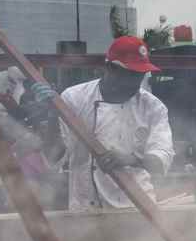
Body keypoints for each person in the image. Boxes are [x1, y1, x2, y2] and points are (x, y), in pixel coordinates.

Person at [50, 36, 174, 211]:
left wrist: (131, 159)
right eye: (130, 74)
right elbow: (56, 151)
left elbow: (162, 157)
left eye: (140, 75)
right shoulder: (74, 99)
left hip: (137, 206)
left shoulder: (153, 107)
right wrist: (49, 114)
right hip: (86, 206)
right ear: (108, 68)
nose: (135, 83)